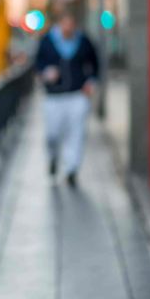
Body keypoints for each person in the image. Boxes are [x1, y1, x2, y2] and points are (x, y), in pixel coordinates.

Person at [35, 10, 100, 187]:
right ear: (60, 23)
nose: (68, 28)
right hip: (54, 97)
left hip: (77, 95)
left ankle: (72, 168)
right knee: (52, 134)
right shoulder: (47, 41)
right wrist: (46, 73)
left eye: (71, 24)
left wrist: (91, 82)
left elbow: (94, 64)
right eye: (65, 24)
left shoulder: (83, 41)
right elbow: (38, 64)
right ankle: (53, 158)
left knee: (76, 133)